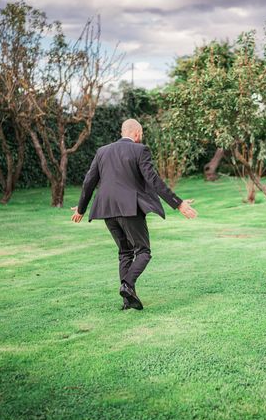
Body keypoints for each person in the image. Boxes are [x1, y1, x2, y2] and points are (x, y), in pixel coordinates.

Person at [70, 118, 197, 310]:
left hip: (106, 209)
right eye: (142, 134)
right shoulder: (140, 150)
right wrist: (178, 204)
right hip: (129, 209)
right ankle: (127, 285)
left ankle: (128, 301)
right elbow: (153, 180)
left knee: (125, 253)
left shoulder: (102, 151)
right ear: (137, 133)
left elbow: (89, 181)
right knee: (143, 251)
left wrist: (81, 208)